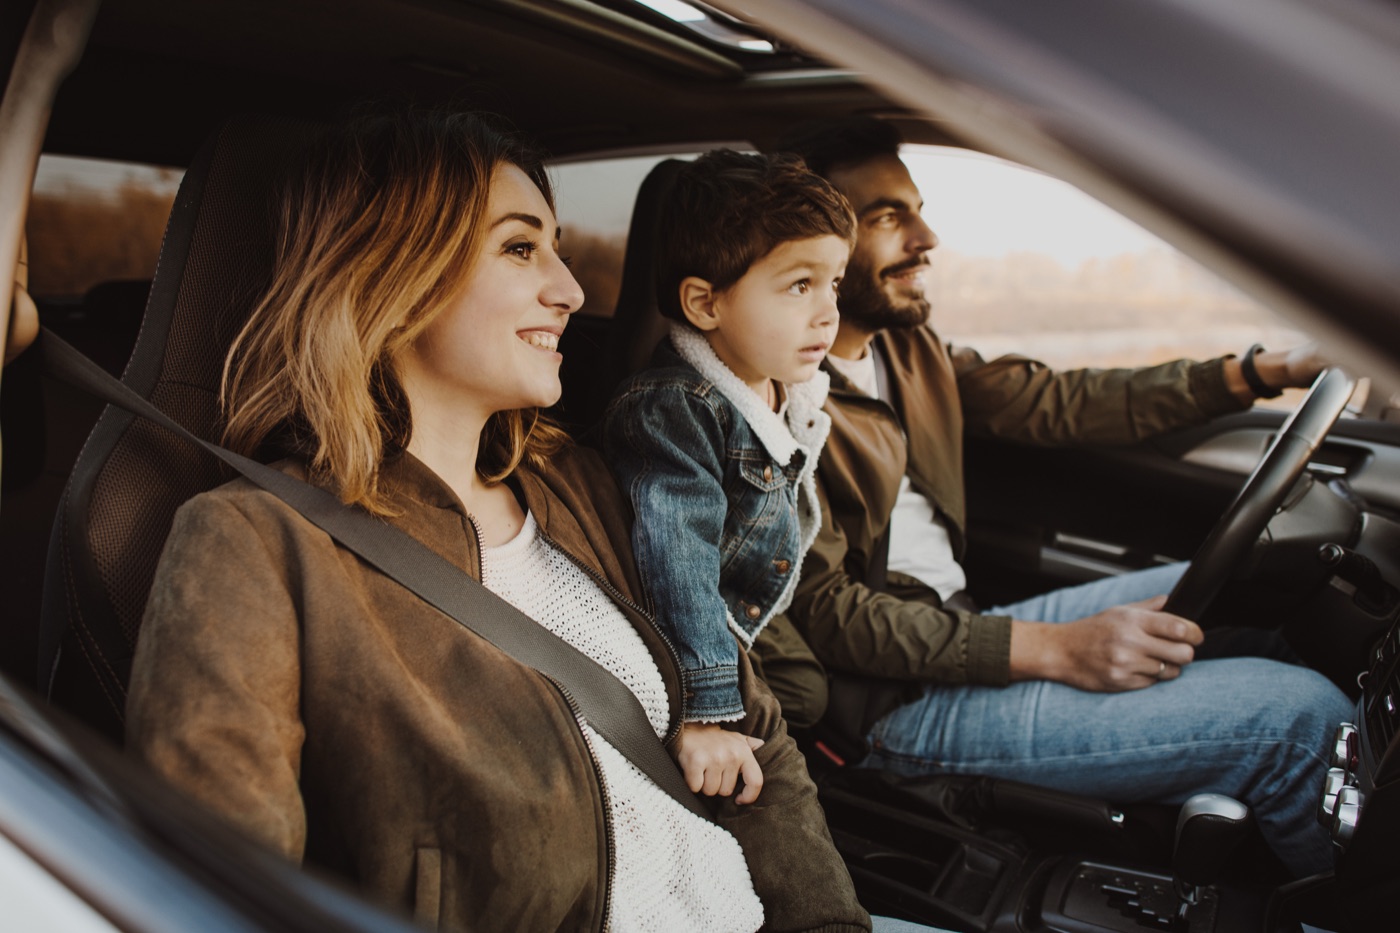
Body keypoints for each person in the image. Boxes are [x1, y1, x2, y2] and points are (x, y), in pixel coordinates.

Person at [122, 109, 874, 932]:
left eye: (553, 245)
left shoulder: (588, 485)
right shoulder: (255, 545)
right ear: (393, 278)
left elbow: (753, 731)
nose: (572, 289)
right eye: (521, 248)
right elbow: (220, 898)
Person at [753, 116, 1354, 879]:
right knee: (1300, 723)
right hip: (892, 705)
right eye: (887, 217)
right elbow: (827, 615)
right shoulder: (771, 404)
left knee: (1269, 601)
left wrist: (1259, 372)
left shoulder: (906, 350)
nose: (926, 236)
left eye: (917, 207)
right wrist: (1057, 650)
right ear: (817, 245)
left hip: (960, 630)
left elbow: (1061, 400)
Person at [601, 150, 852, 804]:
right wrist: (706, 707)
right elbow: (678, 549)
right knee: (796, 698)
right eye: (801, 285)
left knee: (811, 691)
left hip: (757, 606)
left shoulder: (779, 386)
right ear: (705, 303)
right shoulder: (675, 407)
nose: (828, 313)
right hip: (703, 629)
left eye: (835, 284)